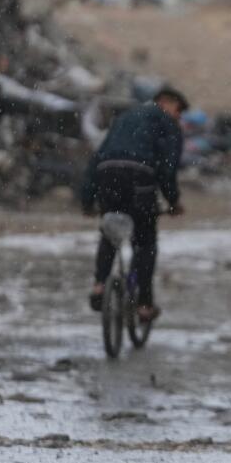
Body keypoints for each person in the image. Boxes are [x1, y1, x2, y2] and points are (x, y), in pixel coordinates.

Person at [80, 87, 187, 322]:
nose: (179, 117)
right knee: (145, 240)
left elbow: (97, 157)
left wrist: (87, 200)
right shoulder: (168, 125)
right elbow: (167, 168)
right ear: (166, 102)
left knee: (110, 230)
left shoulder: (125, 118)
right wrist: (173, 201)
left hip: (107, 173)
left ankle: (99, 285)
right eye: (179, 111)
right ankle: (144, 305)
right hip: (140, 177)